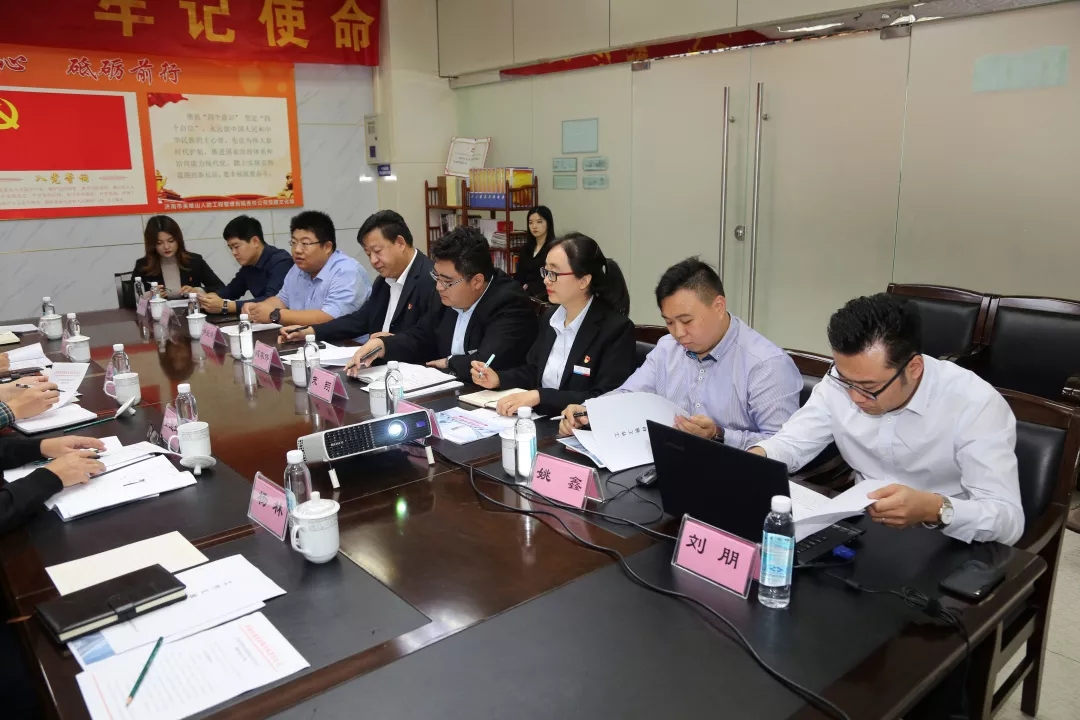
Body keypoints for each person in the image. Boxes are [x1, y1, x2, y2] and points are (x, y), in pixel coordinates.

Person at [750, 294, 1024, 546]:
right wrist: (753, 459)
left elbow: (1007, 520)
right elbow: (793, 443)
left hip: (947, 540)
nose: (854, 397)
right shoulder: (842, 381)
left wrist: (933, 508)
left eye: (869, 388)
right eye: (846, 381)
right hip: (863, 529)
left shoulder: (975, 404)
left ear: (914, 368)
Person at [558, 258, 801, 449]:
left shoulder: (766, 364)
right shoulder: (667, 348)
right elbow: (629, 394)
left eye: (686, 321)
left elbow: (784, 446)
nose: (679, 333)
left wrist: (719, 435)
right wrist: (589, 411)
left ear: (718, 306)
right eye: (669, 322)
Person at [469, 233, 635, 417]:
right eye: (546, 271)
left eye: (554, 273)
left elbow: (604, 398)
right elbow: (535, 370)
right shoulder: (550, 317)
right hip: (541, 419)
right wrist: (499, 378)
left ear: (584, 280)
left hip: (578, 427)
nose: (546, 280)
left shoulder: (615, 329)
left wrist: (540, 396)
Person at [346, 226, 538, 382]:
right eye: (436, 276)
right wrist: (382, 345)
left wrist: (449, 363)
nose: (438, 286)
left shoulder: (509, 303)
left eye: (446, 281)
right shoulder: (445, 294)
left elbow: (486, 362)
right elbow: (421, 337)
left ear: (477, 281)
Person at [278, 210, 440, 344]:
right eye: (368, 254)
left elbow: (430, 339)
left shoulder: (432, 280)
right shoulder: (383, 281)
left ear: (400, 243)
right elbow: (361, 320)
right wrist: (311, 332)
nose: (373, 260)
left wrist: (389, 344)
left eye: (377, 251)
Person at [242, 210, 371, 328]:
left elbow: (329, 318)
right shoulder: (297, 269)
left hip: (347, 343)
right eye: (294, 243)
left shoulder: (347, 272)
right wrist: (258, 308)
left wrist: (276, 315)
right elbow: (282, 300)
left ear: (327, 247)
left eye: (305, 243)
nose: (297, 250)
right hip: (307, 339)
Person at [194, 215, 293, 316]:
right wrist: (210, 298)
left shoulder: (281, 261)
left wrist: (227, 306)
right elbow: (232, 290)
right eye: (231, 248)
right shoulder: (249, 264)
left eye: (236, 247)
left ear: (255, 242)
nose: (234, 253)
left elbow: (273, 300)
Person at [131, 215, 224, 300]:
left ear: (178, 240)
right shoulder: (143, 265)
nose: (166, 247)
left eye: (171, 241)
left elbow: (221, 288)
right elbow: (129, 299)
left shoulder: (195, 261)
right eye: (159, 243)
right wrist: (148, 295)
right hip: (157, 312)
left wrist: (199, 290)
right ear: (152, 245)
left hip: (191, 311)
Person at [513, 206, 556, 299]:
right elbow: (520, 275)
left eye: (539, 222)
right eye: (530, 223)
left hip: (545, 297)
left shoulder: (554, 249)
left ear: (548, 223)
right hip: (524, 296)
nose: (534, 226)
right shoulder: (525, 249)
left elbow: (553, 277)